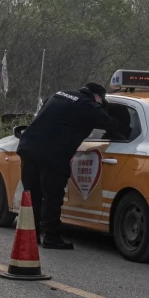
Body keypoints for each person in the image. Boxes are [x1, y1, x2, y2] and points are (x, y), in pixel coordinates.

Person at [17, 82, 123, 250]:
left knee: (32, 195)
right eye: (101, 102)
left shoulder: (58, 95)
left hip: (28, 148)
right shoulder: (88, 105)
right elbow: (111, 124)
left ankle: (31, 234)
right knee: (52, 196)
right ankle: (51, 238)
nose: (101, 105)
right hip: (52, 154)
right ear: (97, 96)